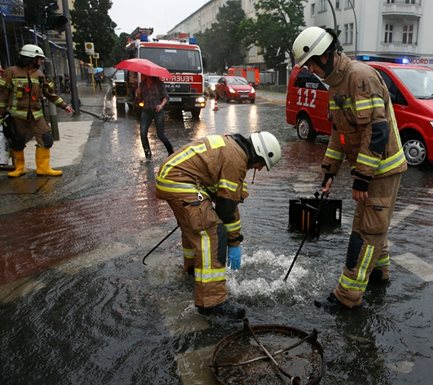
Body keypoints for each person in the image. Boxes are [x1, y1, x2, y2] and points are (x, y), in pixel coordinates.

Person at [292, 27, 407, 310]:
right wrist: (329, 172)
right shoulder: (336, 85)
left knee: (365, 231)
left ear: (326, 55)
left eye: (312, 65)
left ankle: (347, 297)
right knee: (374, 225)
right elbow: (339, 134)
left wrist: (362, 178)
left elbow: (376, 131)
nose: (312, 72)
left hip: (381, 170)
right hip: (371, 170)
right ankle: (380, 273)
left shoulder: (360, 78)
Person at [155, 131, 281, 318]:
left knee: (193, 228)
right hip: (180, 181)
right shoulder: (236, 160)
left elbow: (229, 200)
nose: (260, 169)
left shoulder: (233, 148)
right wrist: (232, 242)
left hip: (172, 176)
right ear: (258, 153)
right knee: (211, 232)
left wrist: (235, 239)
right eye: (262, 164)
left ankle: (192, 270)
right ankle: (213, 301)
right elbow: (225, 208)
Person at [0, 44, 74, 177]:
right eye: (39, 58)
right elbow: (3, 95)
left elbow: (49, 93)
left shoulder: (39, 74)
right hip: (17, 115)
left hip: (36, 115)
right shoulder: (11, 72)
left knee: (46, 139)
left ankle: (43, 168)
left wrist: (64, 105)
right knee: (17, 141)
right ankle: (20, 168)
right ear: (30, 58)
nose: (41, 61)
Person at [135, 75, 173, 159]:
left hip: (158, 111)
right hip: (146, 111)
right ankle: (148, 155)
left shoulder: (159, 83)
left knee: (160, 135)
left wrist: (161, 105)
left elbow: (166, 97)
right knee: (143, 133)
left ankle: (171, 152)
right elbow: (139, 101)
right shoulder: (142, 84)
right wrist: (138, 94)